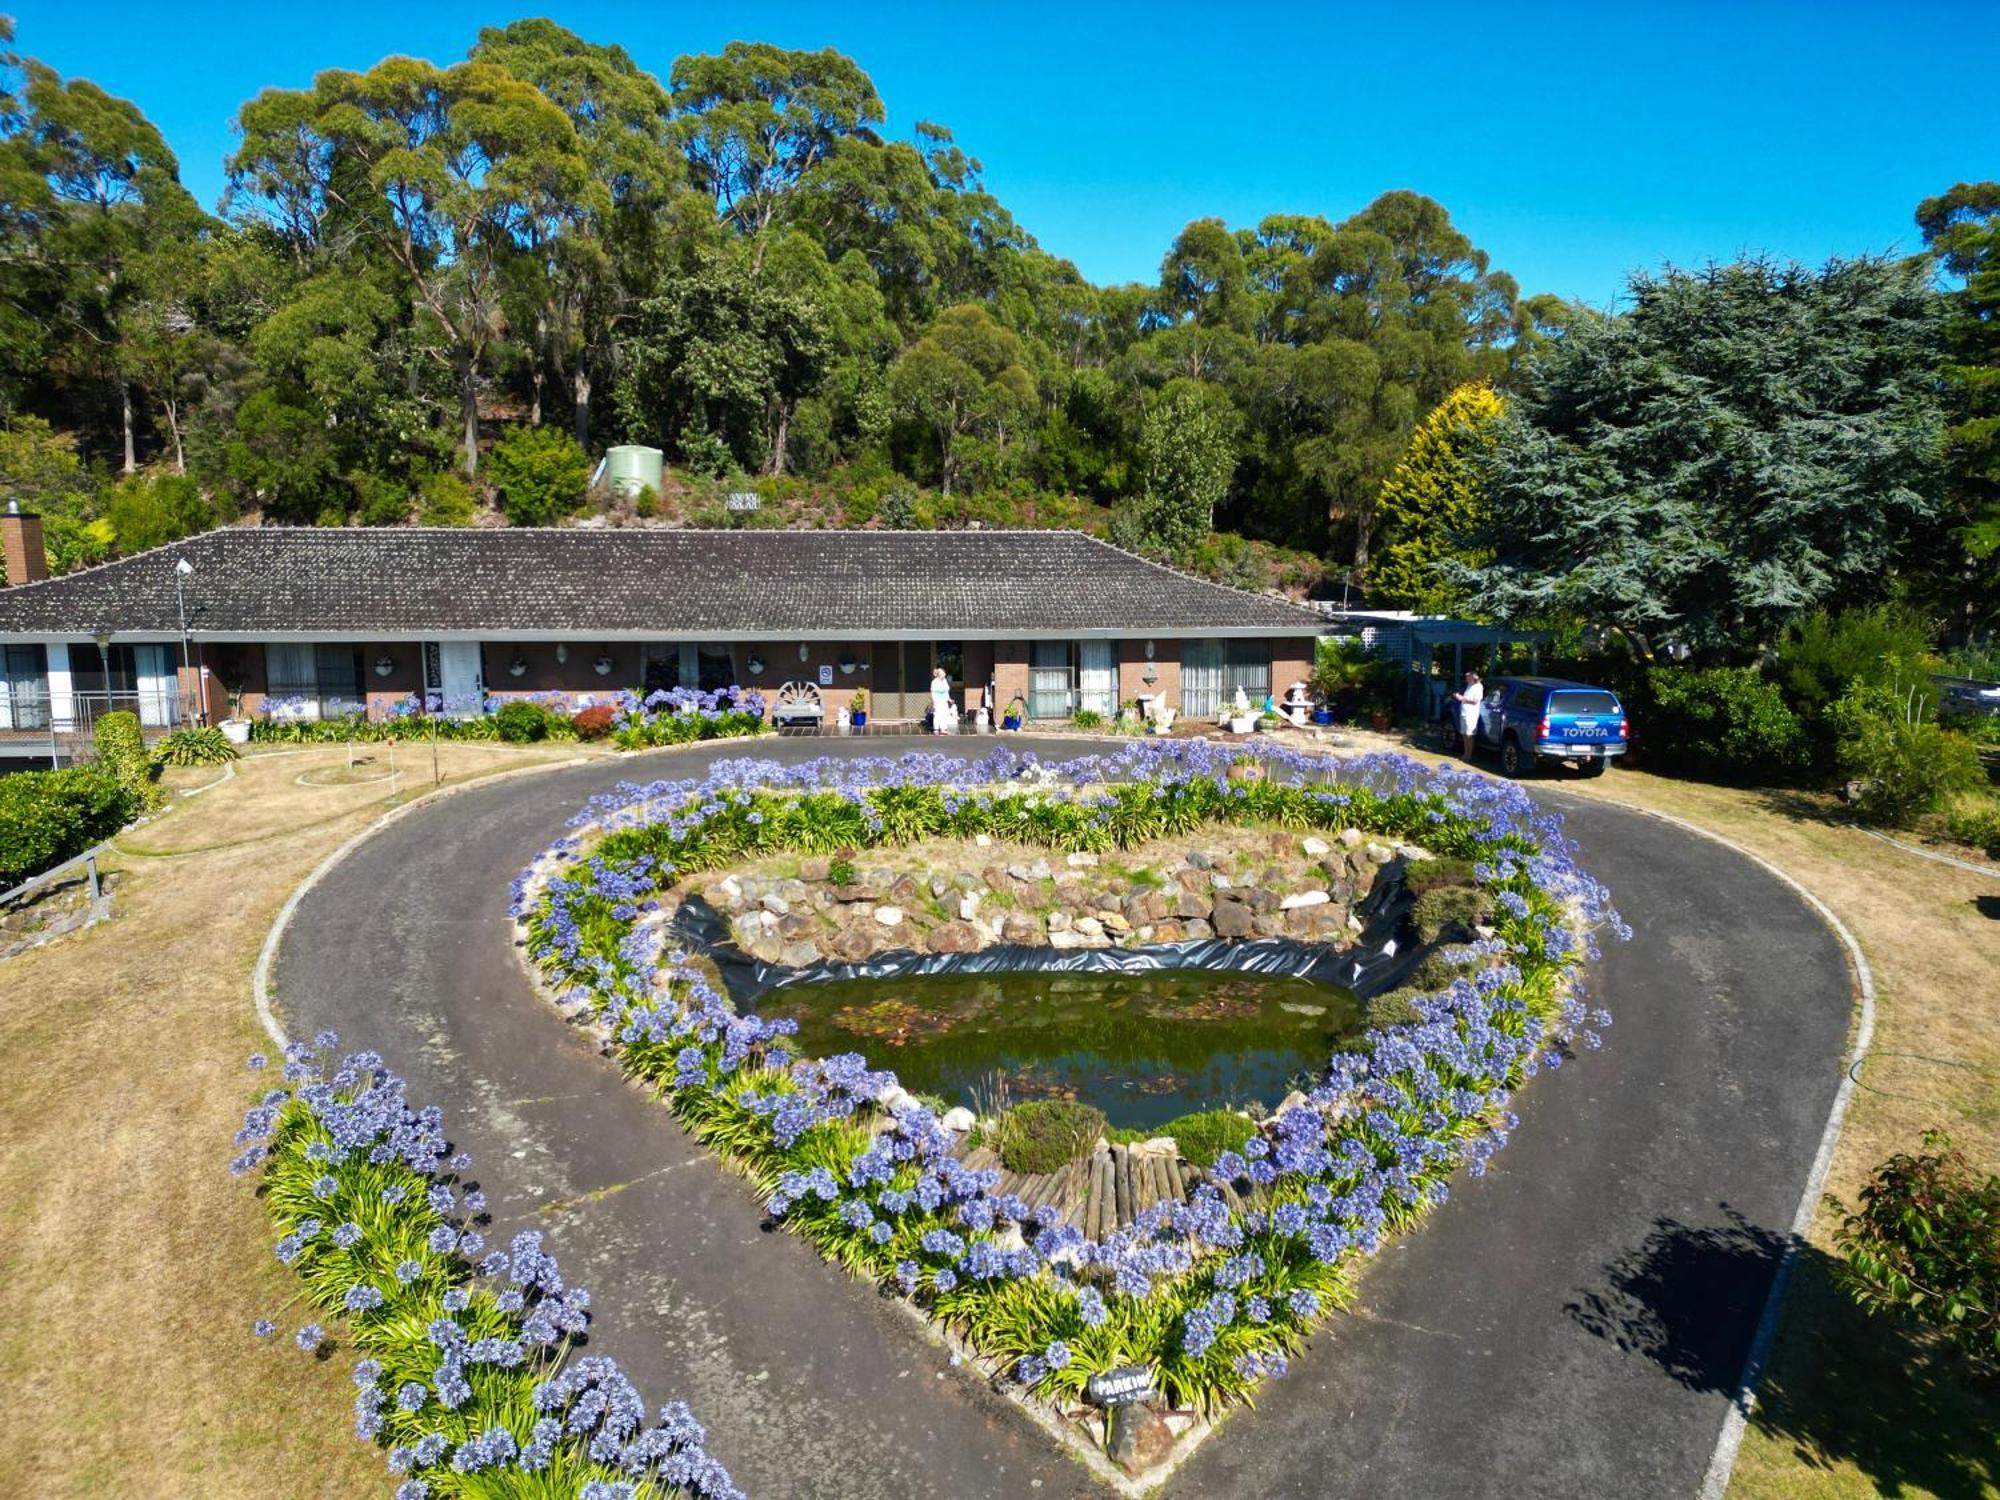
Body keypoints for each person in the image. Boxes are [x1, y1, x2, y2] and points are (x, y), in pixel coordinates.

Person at [1449, 670, 1484, 758]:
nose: (1466, 679)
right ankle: (1465, 753)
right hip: (1464, 712)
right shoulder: (1469, 685)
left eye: (1468, 677)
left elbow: (1475, 701)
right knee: (1464, 734)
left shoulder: (1478, 687)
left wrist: (1462, 698)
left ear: (1472, 677)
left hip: (1471, 713)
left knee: (1469, 734)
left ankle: (1469, 755)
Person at [930, 666, 954, 734]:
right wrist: (934, 702)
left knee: (945, 715)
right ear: (939, 675)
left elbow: (946, 691)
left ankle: (943, 729)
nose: (944, 675)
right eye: (943, 674)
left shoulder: (944, 681)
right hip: (938, 701)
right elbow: (933, 693)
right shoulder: (934, 682)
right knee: (938, 715)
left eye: (944, 674)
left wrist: (949, 699)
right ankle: (936, 729)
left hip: (944, 701)